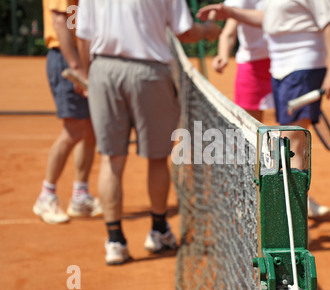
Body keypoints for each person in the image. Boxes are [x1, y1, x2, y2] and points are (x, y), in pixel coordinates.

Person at [76, 0, 222, 265]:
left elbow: (83, 37)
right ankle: (158, 231)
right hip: (149, 72)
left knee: (112, 159)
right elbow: (185, 32)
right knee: (157, 157)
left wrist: (90, 77)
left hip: (103, 70)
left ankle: (115, 241)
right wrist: (209, 31)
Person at [198, 0, 330, 217]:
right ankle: (289, 209)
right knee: (282, 142)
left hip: (302, 66)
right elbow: (268, 19)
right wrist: (230, 11)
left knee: (291, 143)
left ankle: (294, 219)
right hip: (280, 70)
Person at [33, 0, 102, 225]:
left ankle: (80, 196)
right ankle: (47, 195)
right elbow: (60, 21)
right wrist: (76, 67)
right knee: (74, 129)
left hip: (85, 56)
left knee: (90, 127)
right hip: (67, 57)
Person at [212, 0, 273, 122]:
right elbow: (228, 33)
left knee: (292, 122)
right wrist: (222, 55)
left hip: (285, 63)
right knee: (250, 126)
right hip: (252, 66)